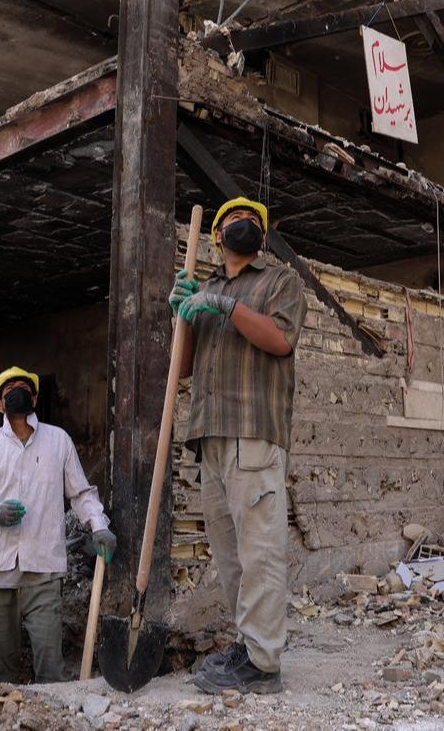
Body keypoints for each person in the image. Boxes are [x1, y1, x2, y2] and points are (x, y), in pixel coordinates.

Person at [169, 197, 307, 695]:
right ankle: (248, 646)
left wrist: (228, 305)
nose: (241, 225)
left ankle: (264, 665)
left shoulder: (279, 282)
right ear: (217, 237)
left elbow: (279, 340)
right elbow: (182, 369)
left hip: (254, 433)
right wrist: (181, 314)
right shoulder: (203, 288)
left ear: (261, 237)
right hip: (209, 438)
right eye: (232, 221)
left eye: (252, 221)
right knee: (228, 556)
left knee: (260, 551)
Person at [0, 366, 117, 684]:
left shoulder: (58, 441)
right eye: (9, 388)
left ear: (34, 397)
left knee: (51, 670)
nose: (17, 391)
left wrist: (98, 525)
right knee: (1, 673)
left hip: (43, 570)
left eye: (23, 386)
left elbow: (81, 492)